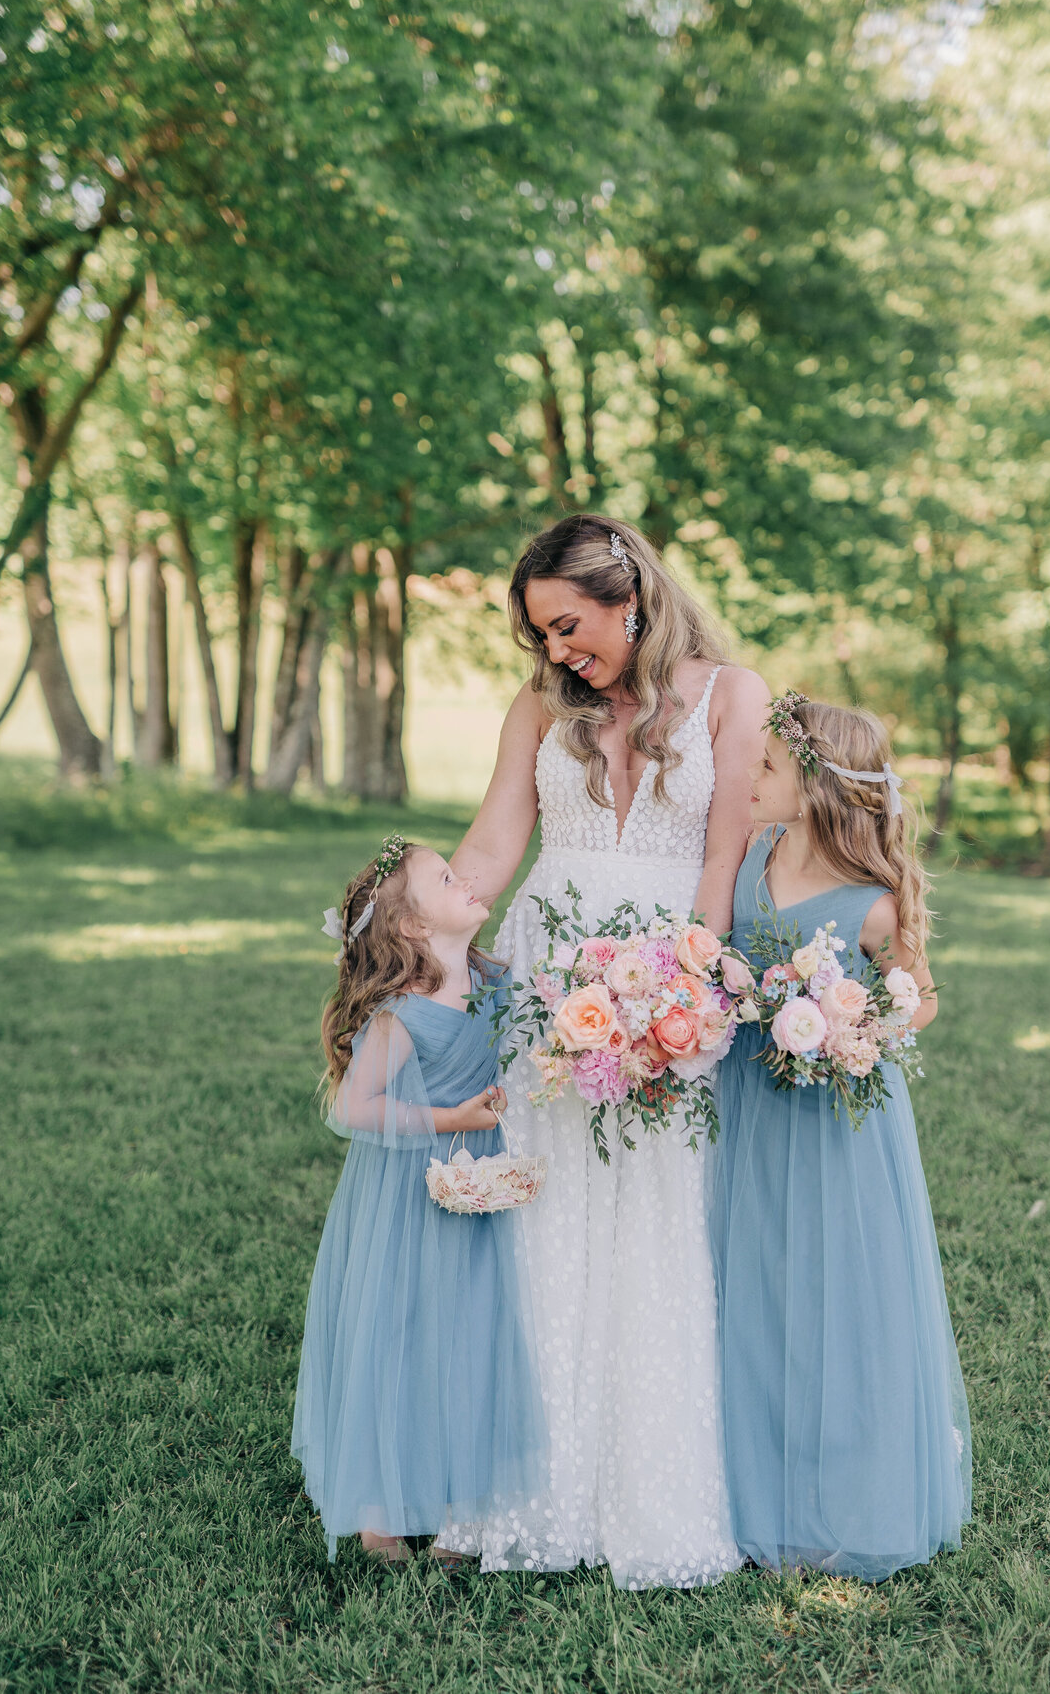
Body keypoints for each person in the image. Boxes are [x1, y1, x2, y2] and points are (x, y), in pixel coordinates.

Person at [438, 513, 770, 1588]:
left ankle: (650, 1490)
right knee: (548, 1211)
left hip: (668, 979)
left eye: (569, 625)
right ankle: (528, 1482)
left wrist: (688, 990)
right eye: (540, 634)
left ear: (631, 598)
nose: (555, 652)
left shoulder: (733, 696)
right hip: (549, 975)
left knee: (657, 1220)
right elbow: (497, 834)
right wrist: (428, 943)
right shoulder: (542, 705)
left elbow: (721, 862)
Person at [710, 695, 972, 1579]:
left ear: (815, 785)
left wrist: (860, 1033)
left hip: (835, 1121)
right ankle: (741, 1478)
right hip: (747, 1098)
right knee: (746, 1278)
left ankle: (842, 1487)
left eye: (769, 768)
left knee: (832, 1289)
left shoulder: (874, 906)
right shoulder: (748, 856)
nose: (750, 778)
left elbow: (921, 999)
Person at [291, 834, 543, 1566]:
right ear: (410, 927)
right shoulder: (404, 1013)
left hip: (478, 1186)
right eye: (443, 878)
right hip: (408, 1197)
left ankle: (460, 1497)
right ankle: (379, 1512)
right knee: (402, 1332)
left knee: (467, 1330)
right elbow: (354, 1108)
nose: (465, 877)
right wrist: (450, 1120)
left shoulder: (494, 981)